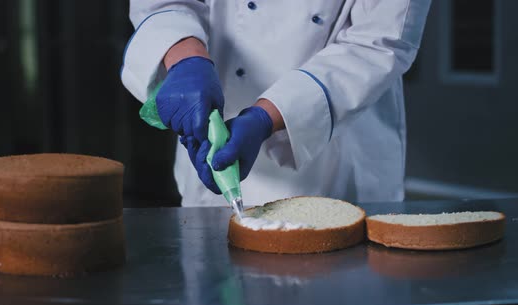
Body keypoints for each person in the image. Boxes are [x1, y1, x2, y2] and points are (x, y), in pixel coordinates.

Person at [121, 0, 431, 206]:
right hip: (213, 139)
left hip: (336, 159)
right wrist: (185, 59)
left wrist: (266, 118)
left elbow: (379, 41)